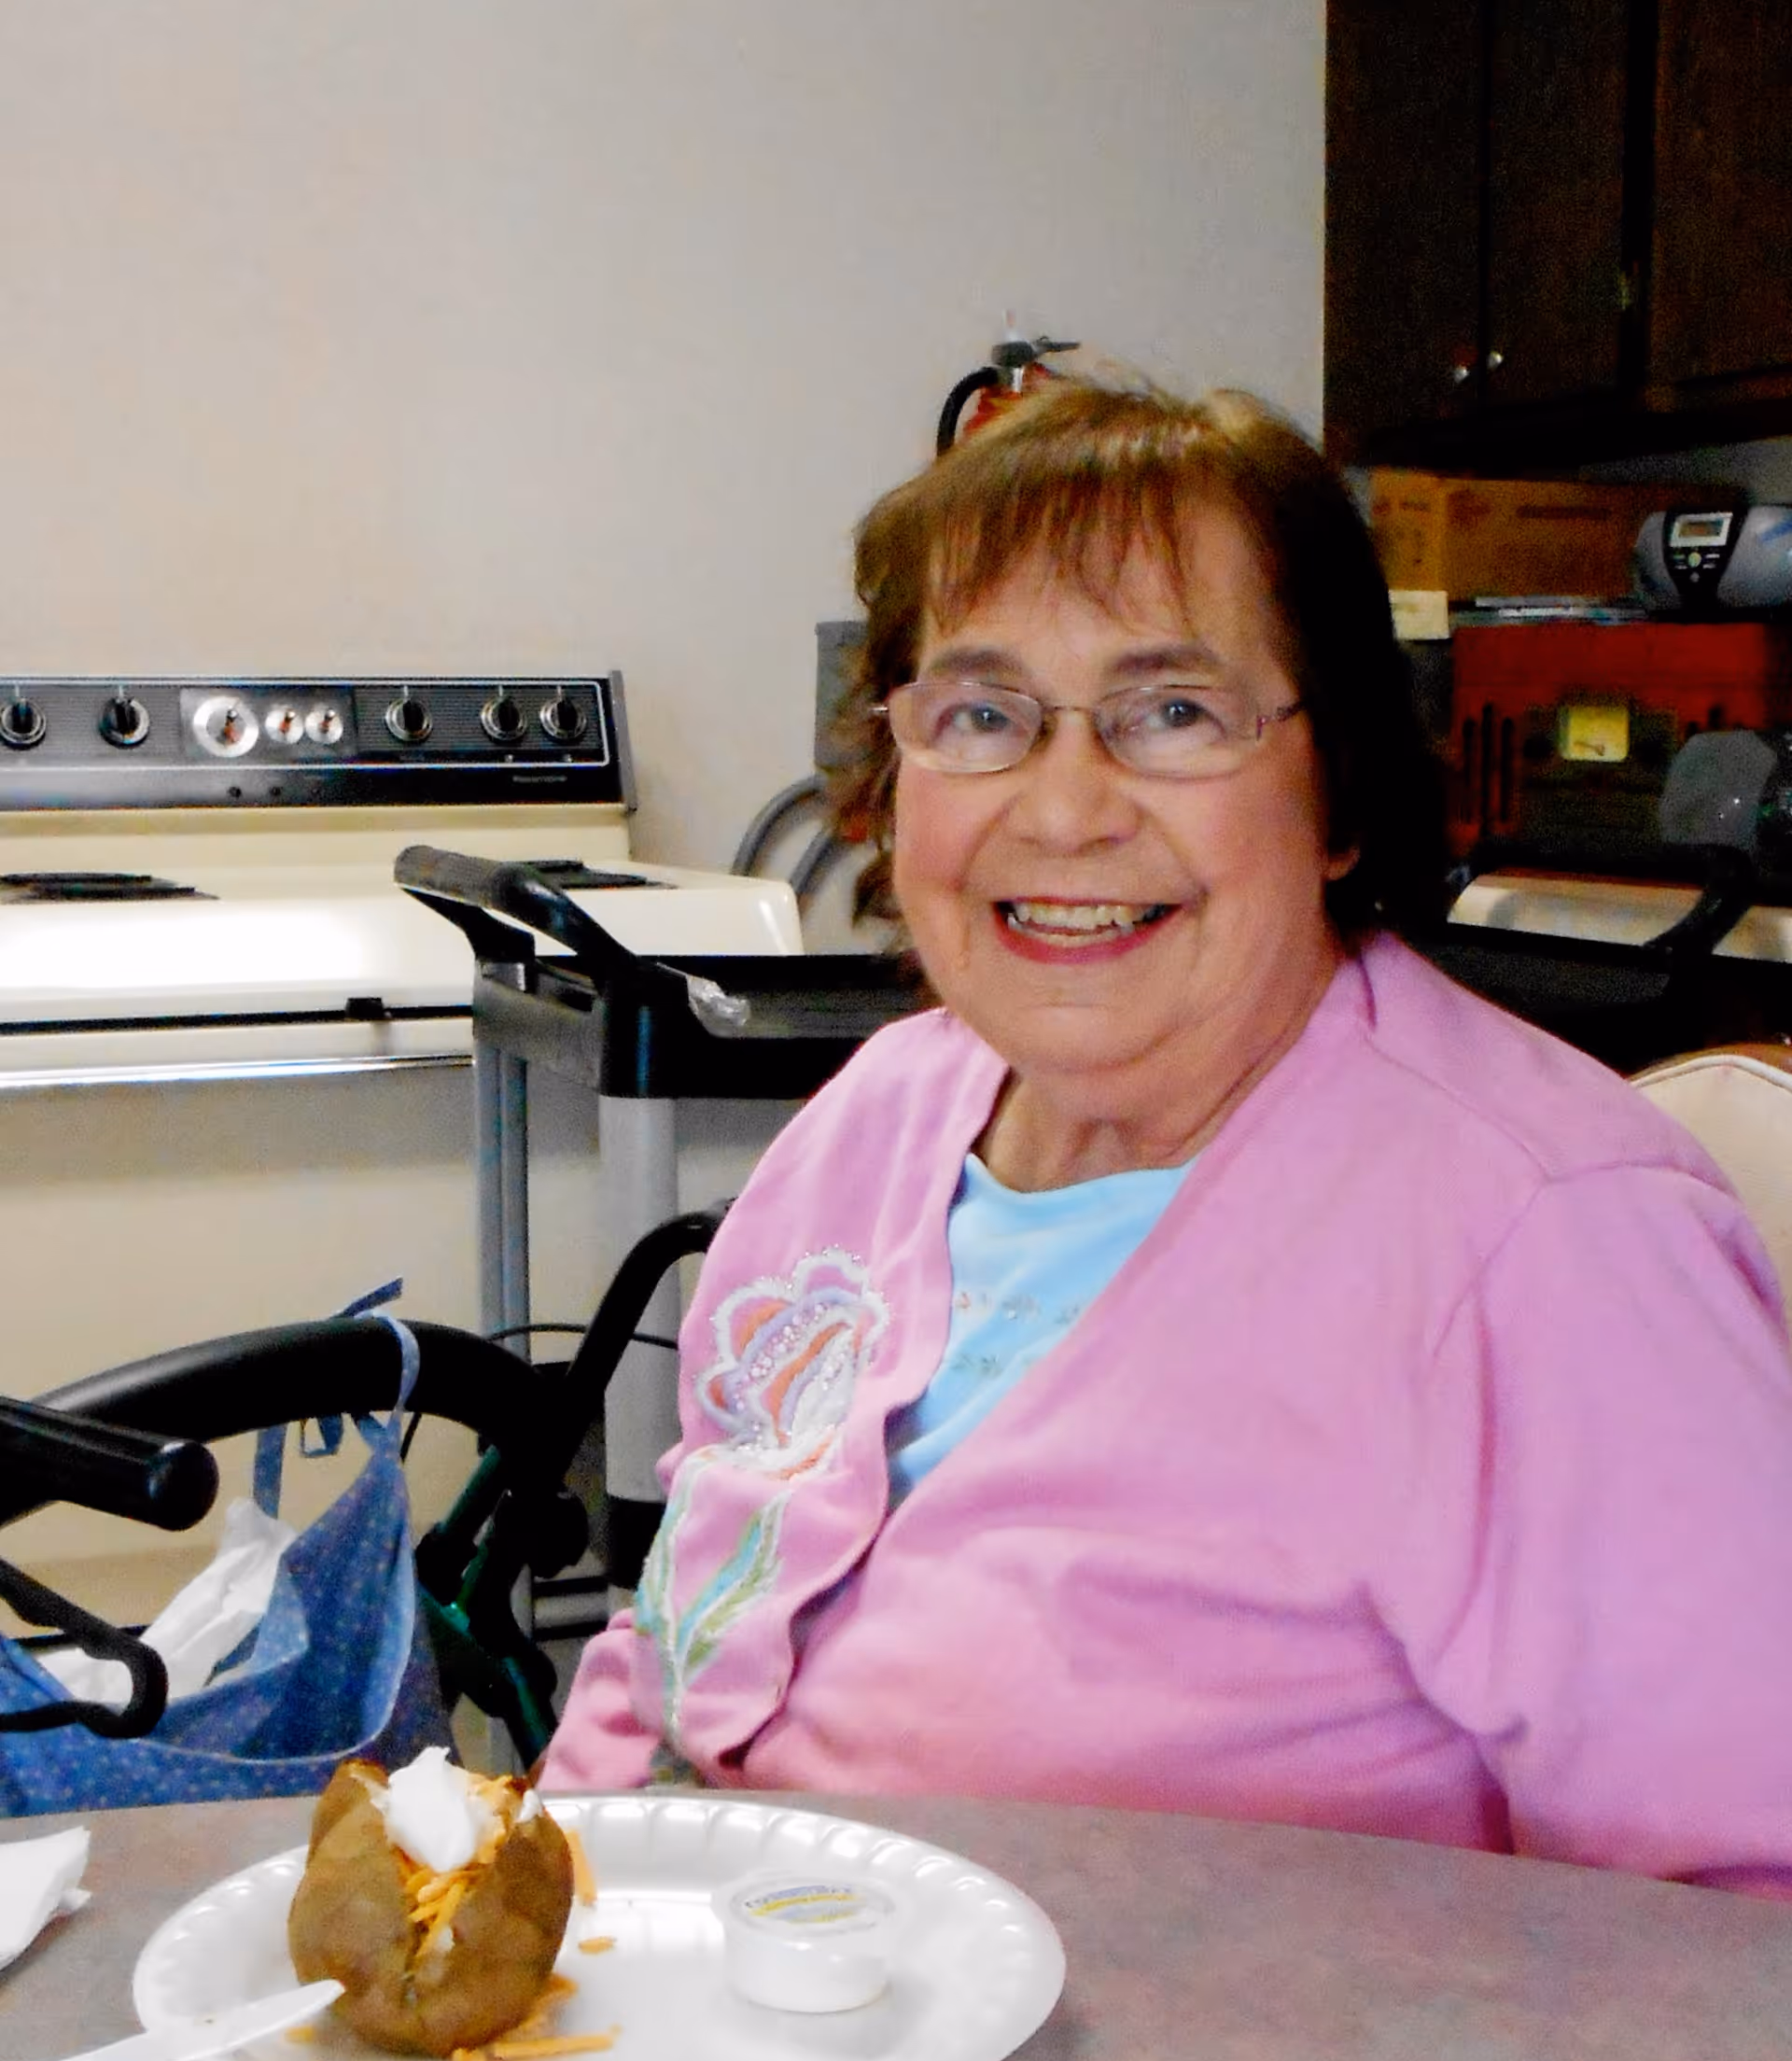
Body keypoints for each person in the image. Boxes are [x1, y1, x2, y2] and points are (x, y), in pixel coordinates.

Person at [542, 377, 1792, 1892]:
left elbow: (1747, 1938)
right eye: (984, 714)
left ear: (1334, 791)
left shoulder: (1555, 1243)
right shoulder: (874, 1120)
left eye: (1174, 712)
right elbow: (678, 1631)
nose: (1064, 811)